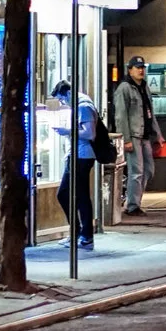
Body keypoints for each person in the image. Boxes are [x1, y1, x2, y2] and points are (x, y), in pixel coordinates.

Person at [50, 80, 101, 251]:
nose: (62, 103)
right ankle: (80, 233)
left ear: (68, 93)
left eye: (62, 100)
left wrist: (67, 132)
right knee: (75, 195)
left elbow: (90, 134)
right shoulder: (81, 104)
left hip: (81, 156)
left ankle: (83, 235)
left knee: (69, 195)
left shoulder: (83, 106)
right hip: (78, 156)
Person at [109, 57, 157, 217]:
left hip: (144, 135)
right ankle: (132, 205)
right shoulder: (124, 88)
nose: (141, 70)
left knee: (148, 170)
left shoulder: (144, 87)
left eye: (142, 67)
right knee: (136, 171)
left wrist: (157, 133)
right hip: (134, 136)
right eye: (137, 67)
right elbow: (121, 116)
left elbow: (150, 111)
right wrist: (126, 139)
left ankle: (134, 200)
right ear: (130, 70)